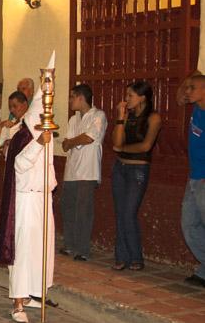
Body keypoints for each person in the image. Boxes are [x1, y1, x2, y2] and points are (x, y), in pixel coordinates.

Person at [0, 55, 56, 323]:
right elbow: (18, 165)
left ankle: (32, 292)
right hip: (25, 201)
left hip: (43, 198)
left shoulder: (47, 133)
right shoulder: (24, 136)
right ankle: (17, 301)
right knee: (22, 248)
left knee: (39, 248)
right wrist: (38, 144)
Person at [111, 80, 162, 271]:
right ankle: (121, 257)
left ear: (142, 97)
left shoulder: (153, 117)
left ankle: (136, 257)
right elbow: (116, 141)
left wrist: (122, 148)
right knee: (120, 213)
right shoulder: (128, 116)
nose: (126, 99)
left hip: (138, 170)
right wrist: (120, 118)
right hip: (120, 168)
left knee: (129, 213)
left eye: (130, 95)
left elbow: (146, 146)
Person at [60, 84, 107, 262]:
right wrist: (73, 141)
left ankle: (82, 249)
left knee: (83, 211)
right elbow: (65, 144)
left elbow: (89, 138)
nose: (70, 100)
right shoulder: (73, 119)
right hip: (71, 170)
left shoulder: (98, 116)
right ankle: (69, 244)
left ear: (81, 98)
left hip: (88, 171)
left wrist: (73, 141)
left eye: (72, 97)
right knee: (68, 208)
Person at [182, 74, 205, 287]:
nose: (188, 91)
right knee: (189, 225)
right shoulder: (196, 110)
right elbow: (180, 96)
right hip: (193, 177)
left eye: (193, 88)